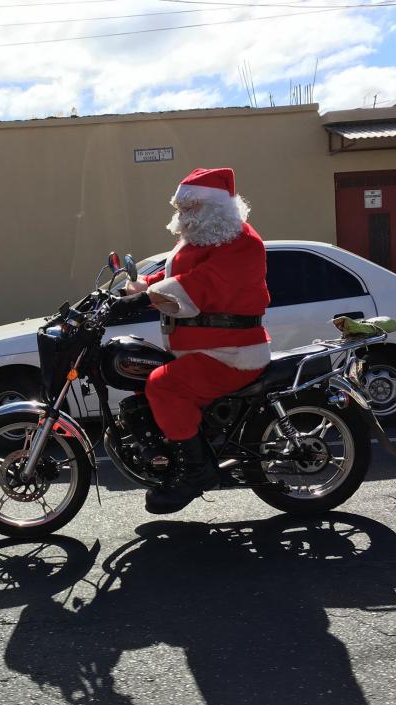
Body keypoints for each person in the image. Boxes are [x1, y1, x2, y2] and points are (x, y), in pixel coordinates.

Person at [110, 167, 271, 514]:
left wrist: (142, 300)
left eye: (192, 208)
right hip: (201, 350)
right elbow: (172, 275)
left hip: (232, 353)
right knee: (142, 377)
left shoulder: (243, 242)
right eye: (181, 208)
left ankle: (197, 472)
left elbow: (203, 282)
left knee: (164, 386)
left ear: (219, 207)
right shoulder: (198, 240)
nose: (184, 216)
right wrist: (133, 288)